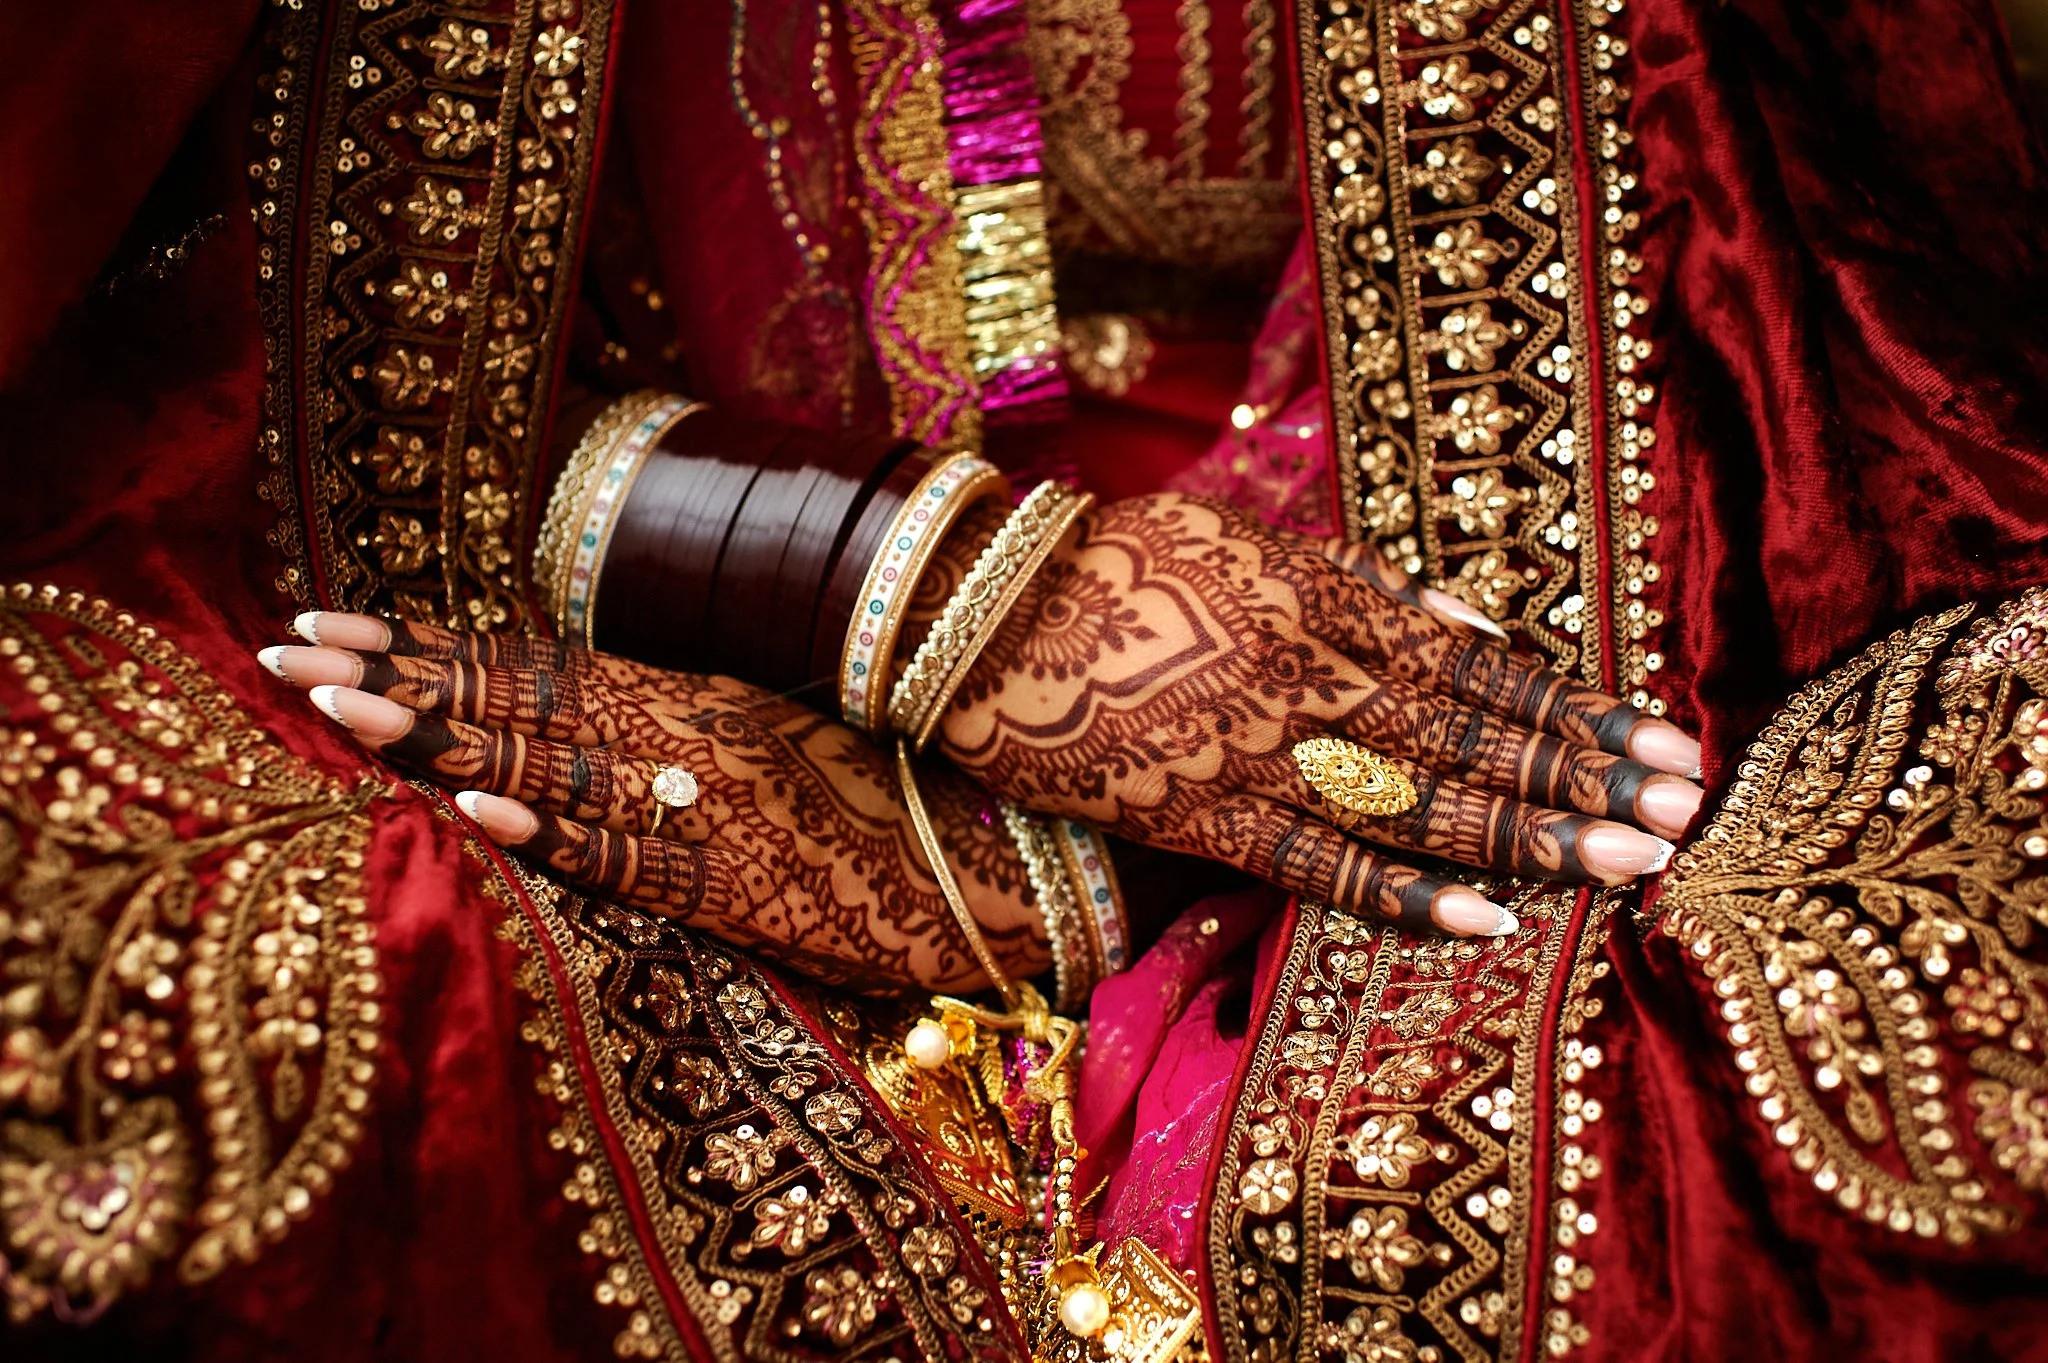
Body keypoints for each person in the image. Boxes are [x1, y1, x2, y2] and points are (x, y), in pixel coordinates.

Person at [1, 0, 2045, 1360]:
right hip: (548, 630)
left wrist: (1102, 824)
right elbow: (175, 345)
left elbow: (1779, 321)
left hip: (1438, 654)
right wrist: (881, 575)